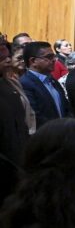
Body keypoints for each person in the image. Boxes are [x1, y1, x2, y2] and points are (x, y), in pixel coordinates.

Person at [0, 40, 29, 205]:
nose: (8, 61)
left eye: (8, 56)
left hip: (18, 164)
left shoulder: (8, 84)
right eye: (2, 57)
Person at [19, 41, 69, 127]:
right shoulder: (25, 83)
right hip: (45, 135)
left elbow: (66, 107)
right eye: (49, 57)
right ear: (33, 61)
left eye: (54, 56)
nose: (54, 60)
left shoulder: (52, 80)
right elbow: (35, 116)